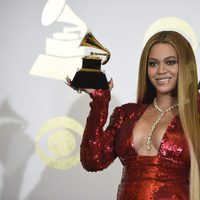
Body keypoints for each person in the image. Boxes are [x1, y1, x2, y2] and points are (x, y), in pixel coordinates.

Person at [66, 31, 200, 200]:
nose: (160, 70)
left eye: (170, 62)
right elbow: (92, 161)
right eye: (153, 63)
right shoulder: (127, 114)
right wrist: (99, 101)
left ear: (186, 66)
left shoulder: (195, 115)